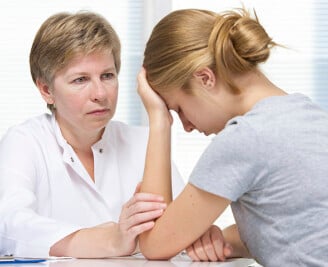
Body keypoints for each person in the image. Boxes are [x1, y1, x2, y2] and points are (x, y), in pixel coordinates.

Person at [137, 7, 328, 266]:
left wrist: (159, 121)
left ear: (204, 78)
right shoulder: (309, 114)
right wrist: (220, 239)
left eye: (179, 109)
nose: (186, 126)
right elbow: (299, 228)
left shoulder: (245, 138)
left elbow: (155, 244)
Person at [0, 11, 187, 258]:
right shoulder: (25, 141)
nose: (100, 93)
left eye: (107, 76)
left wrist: (206, 238)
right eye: (80, 80)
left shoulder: (143, 142)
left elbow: (183, 226)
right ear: (46, 90)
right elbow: (9, 225)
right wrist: (112, 240)